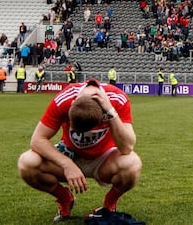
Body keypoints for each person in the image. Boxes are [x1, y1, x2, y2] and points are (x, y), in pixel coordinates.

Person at [17, 78, 142, 221]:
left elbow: (127, 147)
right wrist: (66, 164)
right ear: (72, 104)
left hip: (104, 159)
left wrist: (111, 113)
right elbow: (37, 140)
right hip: (70, 155)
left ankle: (109, 204)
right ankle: (65, 199)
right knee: (27, 162)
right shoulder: (64, 99)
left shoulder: (117, 99)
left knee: (133, 164)